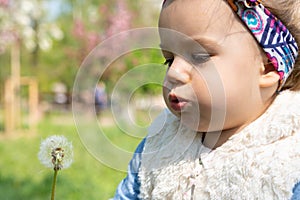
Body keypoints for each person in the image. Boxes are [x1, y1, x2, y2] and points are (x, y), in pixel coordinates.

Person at [113, 0, 300, 199]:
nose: (174, 73)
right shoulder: (159, 144)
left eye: (200, 56)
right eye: (169, 59)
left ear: (269, 67)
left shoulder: (289, 159)